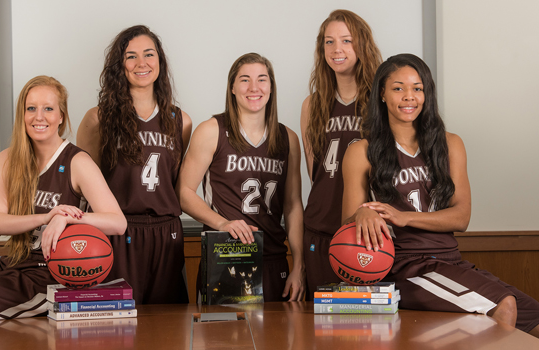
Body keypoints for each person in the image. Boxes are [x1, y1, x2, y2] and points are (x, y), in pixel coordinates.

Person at [342, 54, 539, 336]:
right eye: (398, 88)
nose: (409, 96)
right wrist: (361, 213)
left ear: (427, 94)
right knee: (502, 305)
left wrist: (403, 217)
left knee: (534, 320)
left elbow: (461, 217)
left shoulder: (450, 144)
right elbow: (347, 224)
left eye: (418, 88)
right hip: (406, 266)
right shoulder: (361, 151)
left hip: (451, 260)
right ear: (382, 95)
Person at [0, 76, 126, 332]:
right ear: (22, 114)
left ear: (61, 116)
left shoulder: (77, 162)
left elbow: (118, 222)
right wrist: (47, 216)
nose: (39, 117)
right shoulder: (7, 159)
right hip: (10, 263)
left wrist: (68, 217)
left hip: (44, 277)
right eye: (31, 108)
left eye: (48, 108)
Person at [77, 25, 192, 304]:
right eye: (131, 56)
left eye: (149, 54)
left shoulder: (181, 121)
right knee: (116, 329)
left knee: (169, 330)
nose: (141, 63)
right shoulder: (98, 119)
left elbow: (176, 184)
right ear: (120, 65)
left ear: (160, 62)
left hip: (167, 235)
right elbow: (81, 187)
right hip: (118, 232)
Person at [177, 53, 305, 301]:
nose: (254, 88)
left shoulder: (287, 138)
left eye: (262, 80)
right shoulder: (212, 130)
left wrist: (299, 265)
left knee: (276, 339)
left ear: (271, 87)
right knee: (224, 340)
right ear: (233, 88)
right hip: (225, 257)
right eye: (245, 80)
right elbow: (183, 193)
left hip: (273, 257)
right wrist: (222, 223)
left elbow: (292, 205)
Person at [301, 9, 382, 299]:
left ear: (362, 45)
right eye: (329, 42)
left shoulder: (381, 101)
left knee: (363, 333)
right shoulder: (312, 105)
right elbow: (315, 172)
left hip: (364, 234)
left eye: (347, 41)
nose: (337, 49)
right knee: (319, 330)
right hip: (319, 227)